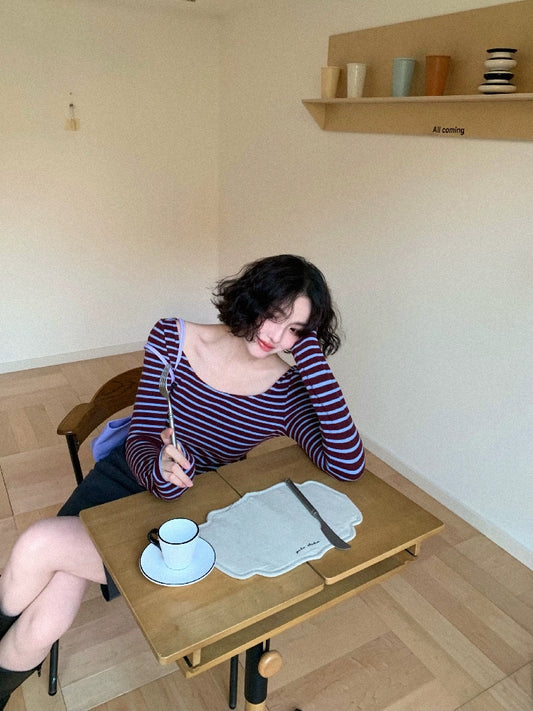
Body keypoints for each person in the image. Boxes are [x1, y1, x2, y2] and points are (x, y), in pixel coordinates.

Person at [0, 254, 365, 707]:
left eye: (295, 329)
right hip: (126, 477)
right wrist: (158, 469)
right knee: (45, 611)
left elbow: (347, 463)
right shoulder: (174, 338)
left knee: (39, 548)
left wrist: (311, 358)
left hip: (192, 516)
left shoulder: (285, 391)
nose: (276, 337)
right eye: (274, 315)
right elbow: (141, 436)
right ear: (251, 299)